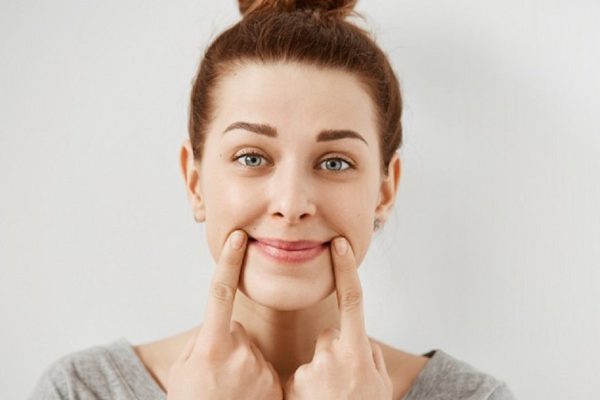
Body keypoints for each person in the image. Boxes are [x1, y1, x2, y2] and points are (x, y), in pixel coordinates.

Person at [29, 1, 516, 399]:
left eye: (334, 163)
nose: (291, 203)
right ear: (195, 180)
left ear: (385, 190)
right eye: (251, 157)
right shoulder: (81, 390)